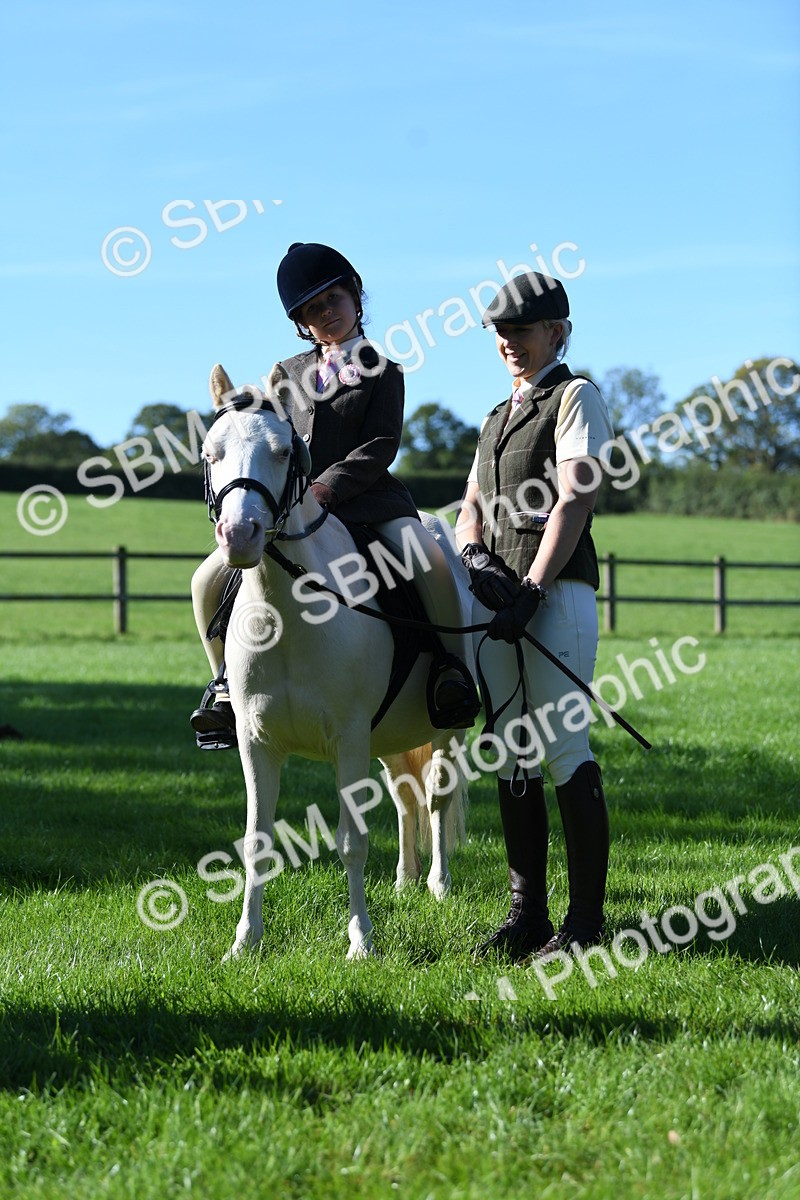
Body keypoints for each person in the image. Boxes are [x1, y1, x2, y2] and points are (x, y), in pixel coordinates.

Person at [190, 241, 480, 748]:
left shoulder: (383, 370)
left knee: (429, 557)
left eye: (333, 301)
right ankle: (224, 686)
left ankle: (449, 670)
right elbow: (267, 435)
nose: (325, 314)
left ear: (356, 297)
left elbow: (381, 444)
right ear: (302, 322)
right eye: (312, 311)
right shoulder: (287, 372)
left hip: (370, 502)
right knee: (205, 580)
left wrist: (327, 486)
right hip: (293, 510)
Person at [455, 271, 614, 960]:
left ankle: (583, 926)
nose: (509, 342)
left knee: (561, 749)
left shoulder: (575, 397)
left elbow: (575, 499)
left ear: (557, 332)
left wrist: (533, 588)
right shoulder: (496, 417)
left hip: (556, 600)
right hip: (498, 607)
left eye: (520, 330)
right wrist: (473, 558)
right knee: (510, 751)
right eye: (500, 332)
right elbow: (470, 507)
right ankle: (527, 916)